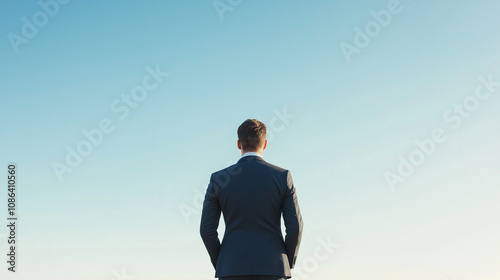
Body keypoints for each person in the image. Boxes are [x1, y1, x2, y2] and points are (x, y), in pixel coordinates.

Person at [200, 119, 303, 280]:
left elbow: (207, 231)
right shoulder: (282, 177)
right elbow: (295, 227)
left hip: (230, 269)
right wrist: (284, 261)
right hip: (274, 268)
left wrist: (222, 262)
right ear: (265, 144)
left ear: (239, 144)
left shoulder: (218, 179)